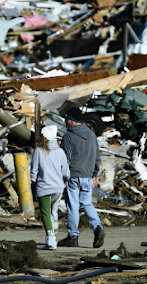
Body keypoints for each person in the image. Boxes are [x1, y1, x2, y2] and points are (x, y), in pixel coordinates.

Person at [57, 107, 105, 248]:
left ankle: (73, 237)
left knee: (72, 206)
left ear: (71, 120)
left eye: (66, 119)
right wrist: (95, 175)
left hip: (73, 176)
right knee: (86, 203)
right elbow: (97, 156)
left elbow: (66, 159)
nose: (65, 122)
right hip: (88, 176)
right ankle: (97, 227)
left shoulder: (68, 137)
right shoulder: (91, 134)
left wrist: (63, 178)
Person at [30, 125, 70, 250]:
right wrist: (64, 180)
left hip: (44, 187)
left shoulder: (38, 151)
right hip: (58, 187)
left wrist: (33, 181)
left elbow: (33, 171)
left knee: (46, 214)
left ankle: (51, 240)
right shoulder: (60, 152)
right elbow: (66, 173)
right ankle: (53, 239)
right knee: (53, 213)